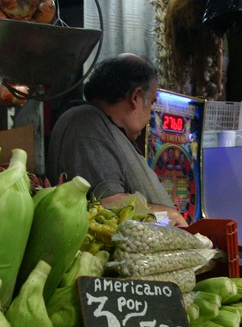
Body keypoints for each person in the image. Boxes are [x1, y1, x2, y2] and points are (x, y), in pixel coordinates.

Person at [45, 53, 188, 227]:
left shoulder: (110, 129)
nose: (150, 116)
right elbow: (110, 204)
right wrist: (169, 215)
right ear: (135, 97)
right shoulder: (85, 123)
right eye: (151, 103)